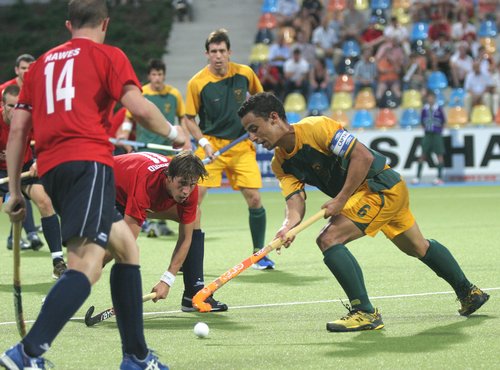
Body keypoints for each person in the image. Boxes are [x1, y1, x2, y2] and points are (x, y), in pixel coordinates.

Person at [1, 1, 185, 368]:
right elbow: (140, 107)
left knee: (127, 249)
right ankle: (27, 352)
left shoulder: (37, 67)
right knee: (86, 265)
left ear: (69, 24)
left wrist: (17, 192)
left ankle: (136, 356)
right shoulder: (109, 55)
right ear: (105, 23)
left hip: (52, 170)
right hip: (89, 165)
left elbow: (19, 130)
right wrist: (175, 133)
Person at [237, 92, 489, 332]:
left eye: (254, 129)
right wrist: (287, 226)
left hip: (380, 185)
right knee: (417, 247)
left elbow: (363, 157)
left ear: (273, 117)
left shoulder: (316, 127)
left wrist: (340, 199)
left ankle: (365, 312)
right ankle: (470, 293)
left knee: (328, 239)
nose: (252, 138)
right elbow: (295, 201)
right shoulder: (280, 163)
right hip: (375, 192)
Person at [183, 29, 272, 283]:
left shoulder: (245, 73)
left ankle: (259, 253)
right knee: (192, 201)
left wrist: (257, 129)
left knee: (255, 198)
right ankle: (187, 255)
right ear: (207, 54)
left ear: (230, 52)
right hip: (211, 145)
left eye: (222, 51)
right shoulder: (197, 82)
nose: (218, 56)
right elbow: (189, 119)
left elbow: (261, 100)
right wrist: (202, 142)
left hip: (241, 145)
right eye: (214, 52)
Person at [108, 150, 227, 311]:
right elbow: (126, 245)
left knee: (194, 216)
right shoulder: (146, 183)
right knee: (111, 249)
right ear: (169, 177)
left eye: (191, 184)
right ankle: (73, 286)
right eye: (182, 183)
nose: (186, 190)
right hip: (105, 188)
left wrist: (167, 280)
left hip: (134, 191)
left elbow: (185, 238)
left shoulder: (189, 189)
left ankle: (193, 293)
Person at [0, 85, 67, 279]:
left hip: (24, 167)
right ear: (3, 106)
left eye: (19, 106)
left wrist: (39, 160)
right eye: (11, 106)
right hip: (2, 170)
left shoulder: (30, 118)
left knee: (45, 202)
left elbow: (47, 142)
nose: (16, 111)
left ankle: (58, 262)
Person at [119, 58, 190, 238]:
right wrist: (124, 136)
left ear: (164, 75)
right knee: (147, 188)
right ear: (149, 76)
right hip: (145, 153)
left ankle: (161, 223)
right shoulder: (141, 93)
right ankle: (145, 221)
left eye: (159, 74)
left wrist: (186, 141)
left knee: (167, 187)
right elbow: (128, 119)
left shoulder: (173, 94)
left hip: (167, 150)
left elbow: (182, 119)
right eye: (153, 74)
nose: (157, 78)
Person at [0, 53, 43, 251]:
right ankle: (27, 233)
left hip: (23, 154)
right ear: (17, 70)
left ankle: (29, 233)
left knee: (27, 193)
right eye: (23, 68)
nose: (27, 72)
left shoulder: (38, 91)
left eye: (30, 68)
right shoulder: (5, 90)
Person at [412, 91, 446, 185]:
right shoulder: (424, 109)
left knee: (439, 155)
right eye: (429, 97)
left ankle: (439, 177)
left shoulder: (438, 109)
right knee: (423, 154)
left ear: (434, 98)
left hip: (436, 135)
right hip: (427, 135)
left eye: (432, 97)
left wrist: (439, 130)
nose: (430, 99)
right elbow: (422, 121)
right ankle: (417, 177)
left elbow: (443, 121)